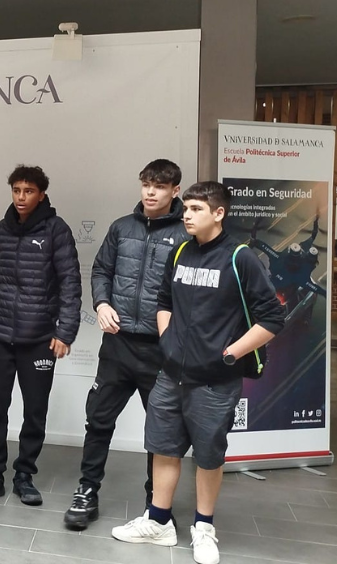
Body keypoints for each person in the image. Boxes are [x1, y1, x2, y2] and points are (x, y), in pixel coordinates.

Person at [112, 181, 284, 564]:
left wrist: (230, 354)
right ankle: (158, 522)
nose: (186, 215)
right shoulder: (180, 253)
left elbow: (273, 317)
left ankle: (204, 527)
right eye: (186, 208)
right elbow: (163, 300)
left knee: (208, 456)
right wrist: (167, 340)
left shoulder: (240, 258)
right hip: (169, 375)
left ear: (218, 213)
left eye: (195, 209)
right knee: (163, 448)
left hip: (215, 381)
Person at [64, 159, 188, 529]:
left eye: (160, 186)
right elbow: (101, 269)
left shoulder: (185, 233)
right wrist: (102, 304)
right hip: (117, 346)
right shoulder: (122, 227)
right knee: (98, 420)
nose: (151, 192)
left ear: (175, 191)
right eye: (146, 184)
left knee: (161, 430)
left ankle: (156, 505)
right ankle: (87, 491)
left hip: (161, 350)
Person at [0, 164, 81, 507]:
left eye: (28, 191)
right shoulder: (4, 228)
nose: (21, 197)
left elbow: (70, 284)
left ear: (42, 194)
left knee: (35, 410)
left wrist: (65, 331)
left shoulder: (56, 231)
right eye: (16, 190)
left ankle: (25, 475)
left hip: (39, 339)